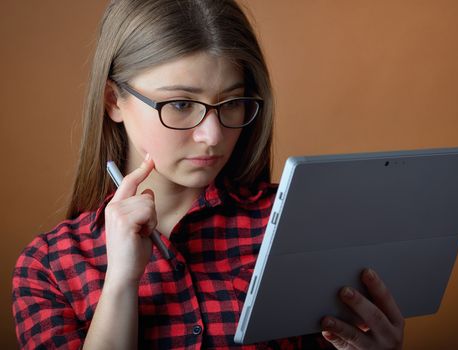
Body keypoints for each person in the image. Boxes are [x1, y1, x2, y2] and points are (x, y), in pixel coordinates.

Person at [12, 0, 405, 349]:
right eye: (181, 104)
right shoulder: (49, 267)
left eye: (231, 103)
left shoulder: (298, 224)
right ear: (114, 101)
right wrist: (120, 283)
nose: (212, 136)